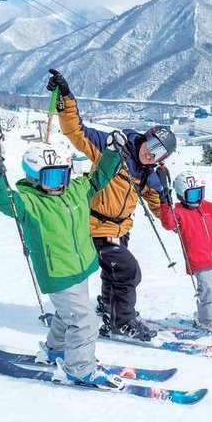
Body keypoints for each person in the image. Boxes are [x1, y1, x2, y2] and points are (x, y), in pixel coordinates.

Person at [0, 131, 125, 388]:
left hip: (80, 267)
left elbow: (100, 177)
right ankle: (79, 369)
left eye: (63, 174)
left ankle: (55, 349)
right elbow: (2, 199)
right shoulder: (27, 202)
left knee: (67, 313)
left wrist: (113, 152)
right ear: (34, 176)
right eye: (51, 176)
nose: (59, 183)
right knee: (85, 321)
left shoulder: (75, 190)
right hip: (57, 273)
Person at [49, 70, 176, 342]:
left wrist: (166, 197)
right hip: (94, 226)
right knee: (128, 271)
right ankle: (123, 321)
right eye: (152, 144)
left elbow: (166, 219)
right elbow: (77, 131)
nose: (151, 152)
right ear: (145, 136)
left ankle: (110, 310)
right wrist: (65, 99)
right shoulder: (114, 148)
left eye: (160, 152)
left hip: (120, 230)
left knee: (115, 274)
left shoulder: (148, 173)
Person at [159, 172, 212, 333]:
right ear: (182, 195)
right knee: (210, 290)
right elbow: (168, 223)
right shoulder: (179, 212)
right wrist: (165, 204)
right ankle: (207, 319)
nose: (197, 198)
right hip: (199, 260)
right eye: (193, 194)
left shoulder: (207, 207)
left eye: (200, 193)